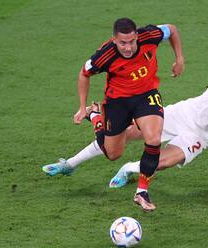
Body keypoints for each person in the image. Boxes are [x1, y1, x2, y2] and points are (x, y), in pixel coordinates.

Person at [43, 60, 208, 189]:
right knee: (125, 133)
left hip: (200, 137)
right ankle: (70, 164)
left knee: (163, 162)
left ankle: (129, 168)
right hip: (181, 115)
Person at [51, 17, 184, 211]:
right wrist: (81, 107)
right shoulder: (105, 55)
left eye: (132, 41)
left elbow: (171, 29)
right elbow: (84, 74)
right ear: (114, 40)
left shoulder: (150, 35)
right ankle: (95, 116)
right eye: (123, 43)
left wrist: (179, 58)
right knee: (113, 153)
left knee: (154, 139)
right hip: (117, 102)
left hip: (146, 95)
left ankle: (142, 192)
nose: (128, 47)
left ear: (137, 36)